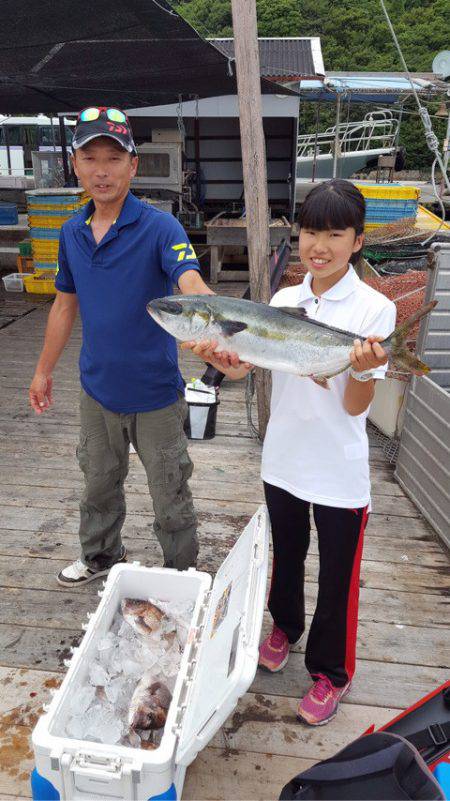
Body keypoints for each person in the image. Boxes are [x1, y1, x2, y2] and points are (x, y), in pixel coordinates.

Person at [181, 180, 396, 726]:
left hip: (340, 473)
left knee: (339, 576)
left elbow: (354, 407)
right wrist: (223, 358)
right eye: (308, 232)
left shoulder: (374, 310)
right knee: (288, 556)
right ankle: (284, 626)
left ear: (358, 241)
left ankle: (331, 673)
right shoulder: (283, 301)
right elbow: (246, 368)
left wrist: (367, 371)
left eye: (334, 233)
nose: (317, 245)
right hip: (283, 460)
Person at [29, 106, 214, 586]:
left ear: (133, 164)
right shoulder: (70, 232)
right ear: (76, 163)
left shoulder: (160, 228)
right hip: (97, 392)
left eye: (114, 158)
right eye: (90, 158)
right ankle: (100, 556)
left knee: (170, 491)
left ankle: (183, 573)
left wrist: (218, 324)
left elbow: (189, 281)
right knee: (97, 486)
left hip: (155, 394)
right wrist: (43, 370)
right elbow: (64, 307)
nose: (102, 170)